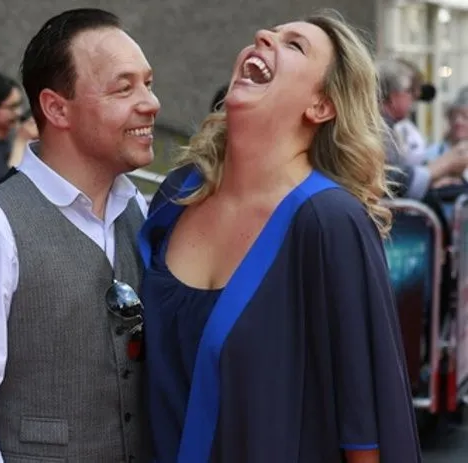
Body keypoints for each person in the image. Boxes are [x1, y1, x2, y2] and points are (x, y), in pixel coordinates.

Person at [139, 11, 421, 463]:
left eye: (295, 45)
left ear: (321, 106)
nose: (263, 36)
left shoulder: (330, 221)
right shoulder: (179, 194)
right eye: (271, 32)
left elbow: (365, 427)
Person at [0, 8, 159, 462]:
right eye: (124, 87)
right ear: (55, 107)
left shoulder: (139, 210)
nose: (150, 102)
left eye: (148, 82)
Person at [378, 59, 468, 196]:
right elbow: (389, 180)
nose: (414, 100)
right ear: (394, 95)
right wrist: (446, 163)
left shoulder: (386, 127)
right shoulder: (377, 128)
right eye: (411, 92)